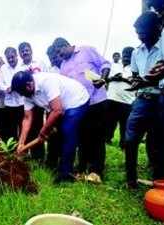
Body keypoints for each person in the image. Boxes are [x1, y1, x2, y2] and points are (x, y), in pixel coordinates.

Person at [13, 71, 90, 183]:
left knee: (67, 130)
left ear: (29, 85)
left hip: (76, 100)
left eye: (22, 92)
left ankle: (66, 173)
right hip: (57, 107)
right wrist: (21, 142)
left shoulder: (46, 82)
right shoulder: (26, 92)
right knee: (55, 135)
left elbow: (57, 110)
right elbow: (27, 118)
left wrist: (43, 131)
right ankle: (52, 164)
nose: (22, 96)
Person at [53, 37, 110, 183]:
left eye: (60, 52)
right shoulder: (63, 66)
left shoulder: (86, 50)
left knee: (97, 137)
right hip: (80, 105)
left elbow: (105, 64)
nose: (60, 56)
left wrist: (103, 78)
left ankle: (96, 171)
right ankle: (82, 167)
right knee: (83, 137)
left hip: (97, 100)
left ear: (66, 45)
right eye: (58, 55)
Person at [124, 11, 164, 189]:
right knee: (130, 139)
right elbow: (135, 76)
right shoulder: (136, 53)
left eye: (142, 31)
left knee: (159, 141)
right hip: (142, 99)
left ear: (157, 29)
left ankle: (160, 181)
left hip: (163, 98)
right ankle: (131, 179)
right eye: (137, 33)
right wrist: (134, 82)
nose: (139, 36)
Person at [17, 42, 47, 162]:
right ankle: (24, 152)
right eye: (22, 51)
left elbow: (46, 79)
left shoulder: (39, 63)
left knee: (38, 127)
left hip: (39, 101)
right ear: (20, 54)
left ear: (31, 50)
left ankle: (38, 156)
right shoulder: (19, 68)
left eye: (26, 50)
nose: (25, 52)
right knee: (26, 128)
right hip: (25, 102)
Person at [104, 47, 136, 148]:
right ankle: (107, 139)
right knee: (109, 122)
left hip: (127, 101)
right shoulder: (114, 66)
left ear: (133, 56)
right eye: (124, 53)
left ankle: (123, 143)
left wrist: (122, 79)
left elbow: (136, 82)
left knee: (124, 124)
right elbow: (105, 79)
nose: (126, 56)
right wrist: (113, 78)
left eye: (129, 54)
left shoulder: (136, 68)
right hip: (111, 98)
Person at [0, 47, 24, 141]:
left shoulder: (23, 67)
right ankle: (12, 150)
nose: (10, 60)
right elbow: (0, 84)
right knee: (10, 128)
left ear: (17, 55)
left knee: (22, 126)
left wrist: (17, 87)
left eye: (12, 57)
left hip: (22, 102)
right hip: (9, 103)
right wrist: (6, 88)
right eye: (8, 58)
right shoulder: (3, 68)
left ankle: (23, 149)